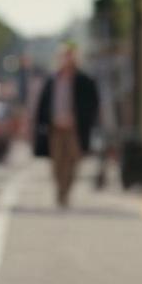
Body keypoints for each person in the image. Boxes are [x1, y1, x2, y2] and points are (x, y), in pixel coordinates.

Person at [34, 43, 100, 207]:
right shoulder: (52, 80)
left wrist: (84, 120)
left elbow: (93, 103)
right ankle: (60, 190)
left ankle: (66, 190)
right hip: (55, 127)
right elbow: (42, 104)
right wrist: (41, 125)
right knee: (57, 161)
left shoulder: (84, 80)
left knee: (73, 159)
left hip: (74, 128)